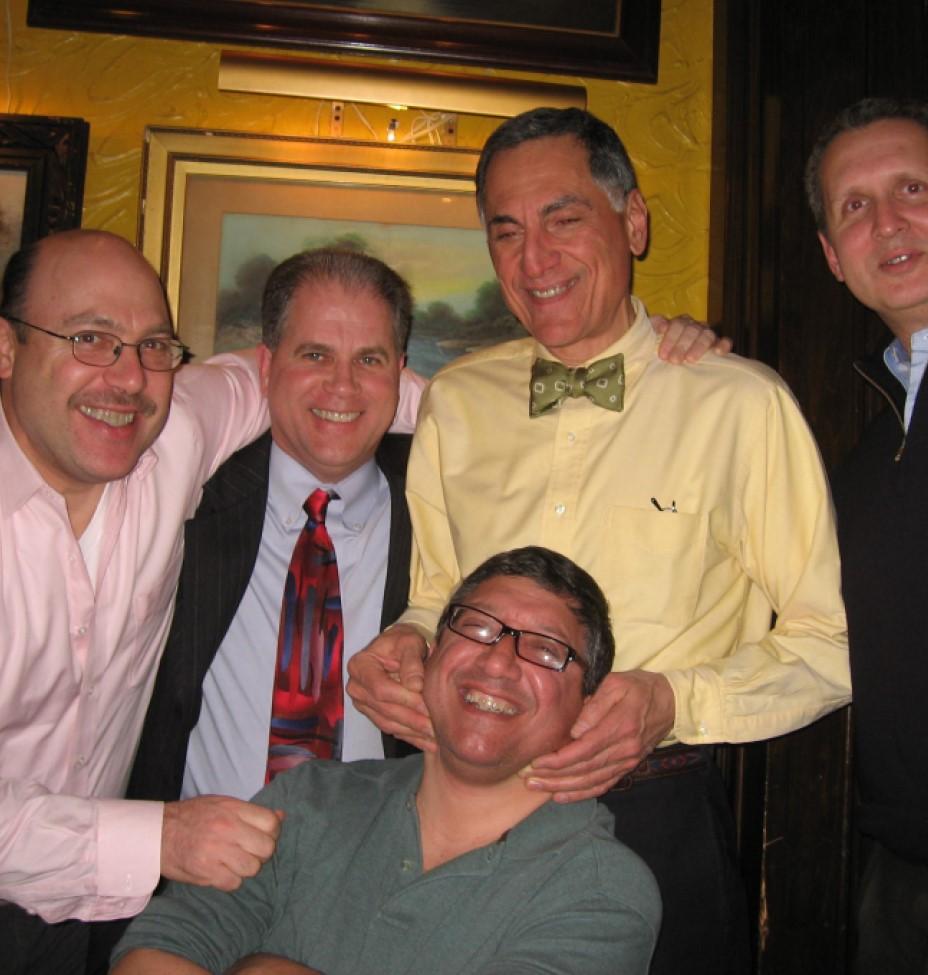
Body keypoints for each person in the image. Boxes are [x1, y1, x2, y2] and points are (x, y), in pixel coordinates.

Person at [348, 106, 851, 974]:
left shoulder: (738, 404)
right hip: (455, 812)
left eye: (563, 219)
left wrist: (675, 700)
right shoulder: (456, 401)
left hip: (649, 816)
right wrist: (402, 644)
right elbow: (436, 594)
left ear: (633, 221)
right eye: (504, 232)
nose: (532, 260)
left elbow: (832, 645)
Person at [110, 546, 661, 975]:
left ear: (586, 705)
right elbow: (150, 957)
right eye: (478, 626)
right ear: (432, 653)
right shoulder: (309, 801)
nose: (498, 662)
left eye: (545, 649)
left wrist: (266, 966)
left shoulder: (602, 890)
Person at [0, 230, 283, 974]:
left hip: (91, 920)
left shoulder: (173, 439)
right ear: (6, 349)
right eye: (91, 338)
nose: (128, 379)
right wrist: (160, 838)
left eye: (154, 345)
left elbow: (300, 383)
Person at [126, 247, 416, 810]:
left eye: (370, 360)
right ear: (265, 366)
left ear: (401, 373)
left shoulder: (442, 507)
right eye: (314, 354)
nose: (342, 386)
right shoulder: (188, 498)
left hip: (384, 878)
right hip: (193, 881)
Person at [805, 97, 928, 973]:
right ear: (834, 259)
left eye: (912, 186)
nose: (887, 221)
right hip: (898, 878)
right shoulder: (872, 442)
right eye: (854, 206)